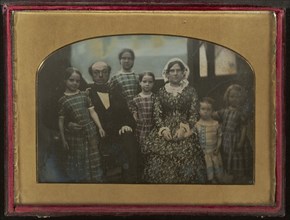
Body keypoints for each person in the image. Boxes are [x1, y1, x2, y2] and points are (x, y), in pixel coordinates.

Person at [142, 58, 207, 184]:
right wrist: (163, 129)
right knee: (159, 155)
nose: (175, 73)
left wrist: (184, 128)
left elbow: (194, 113)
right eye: (172, 70)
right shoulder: (161, 92)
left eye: (178, 70)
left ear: (184, 73)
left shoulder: (191, 91)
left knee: (188, 152)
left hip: (185, 128)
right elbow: (157, 114)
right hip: (166, 127)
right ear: (167, 74)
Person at [58, 67, 105, 182]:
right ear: (65, 80)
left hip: (91, 131)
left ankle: (96, 182)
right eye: (71, 80)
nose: (75, 83)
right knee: (80, 158)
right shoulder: (63, 100)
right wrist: (63, 139)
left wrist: (100, 127)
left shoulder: (84, 95)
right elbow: (61, 121)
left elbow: (92, 112)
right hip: (76, 136)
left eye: (77, 81)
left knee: (93, 156)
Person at [214, 84, 252, 183]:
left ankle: (238, 177)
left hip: (236, 140)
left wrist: (241, 142)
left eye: (238, 97)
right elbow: (214, 115)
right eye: (232, 96)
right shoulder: (224, 111)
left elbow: (244, 128)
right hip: (226, 140)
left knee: (236, 158)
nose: (235, 99)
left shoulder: (241, 113)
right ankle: (229, 176)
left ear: (242, 98)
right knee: (226, 156)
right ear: (227, 97)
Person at [194, 97, 223, 183]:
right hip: (204, 152)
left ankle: (217, 178)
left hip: (214, 151)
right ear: (199, 110)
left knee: (216, 166)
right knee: (207, 167)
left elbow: (220, 137)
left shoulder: (215, 124)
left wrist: (218, 148)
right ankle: (210, 179)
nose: (205, 112)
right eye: (203, 109)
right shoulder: (197, 124)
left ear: (212, 111)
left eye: (208, 109)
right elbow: (192, 135)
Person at [130, 71, 155, 145]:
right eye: (144, 81)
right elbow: (134, 115)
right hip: (140, 129)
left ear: (153, 83)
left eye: (150, 82)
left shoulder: (156, 98)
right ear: (140, 82)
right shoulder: (136, 99)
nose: (147, 84)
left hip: (153, 128)